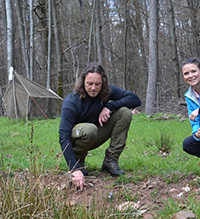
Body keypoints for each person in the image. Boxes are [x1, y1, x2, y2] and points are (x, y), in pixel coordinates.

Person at [59, 62, 141, 190]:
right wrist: (73, 168)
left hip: (96, 133)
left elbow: (135, 99)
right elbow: (63, 136)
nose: (93, 88)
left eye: (97, 84)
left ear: (102, 83)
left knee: (124, 112)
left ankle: (110, 161)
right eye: (89, 84)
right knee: (90, 129)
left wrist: (109, 106)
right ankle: (79, 160)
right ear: (83, 82)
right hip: (78, 137)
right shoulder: (71, 102)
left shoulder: (106, 91)